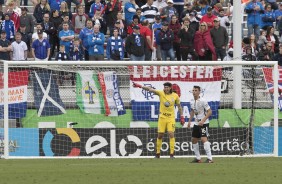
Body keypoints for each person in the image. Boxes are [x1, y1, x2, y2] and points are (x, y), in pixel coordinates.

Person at [132, 81, 184, 158]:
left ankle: (172, 154)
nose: (165, 89)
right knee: (160, 135)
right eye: (165, 87)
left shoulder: (175, 96)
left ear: (170, 88)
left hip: (171, 118)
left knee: (171, 134)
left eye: (167, 87)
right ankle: (158, 153)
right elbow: (150, 89)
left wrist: (182, 116)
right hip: (162, 118)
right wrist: (140, 86)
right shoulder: (161, 93)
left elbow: (179, 106)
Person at [187, 85, 213, 163]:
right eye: (193, 90)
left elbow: (210, 112)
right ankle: (198, 158)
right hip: (196, 123)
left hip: (204, 123)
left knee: (203, 139)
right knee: (194, 139)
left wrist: (203, 120)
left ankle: (210, 158)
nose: (194, 92)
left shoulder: (203, 100)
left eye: (196, 90)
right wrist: (189, 121)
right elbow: (192, 111)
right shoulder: (191, 101)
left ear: (199, 92)